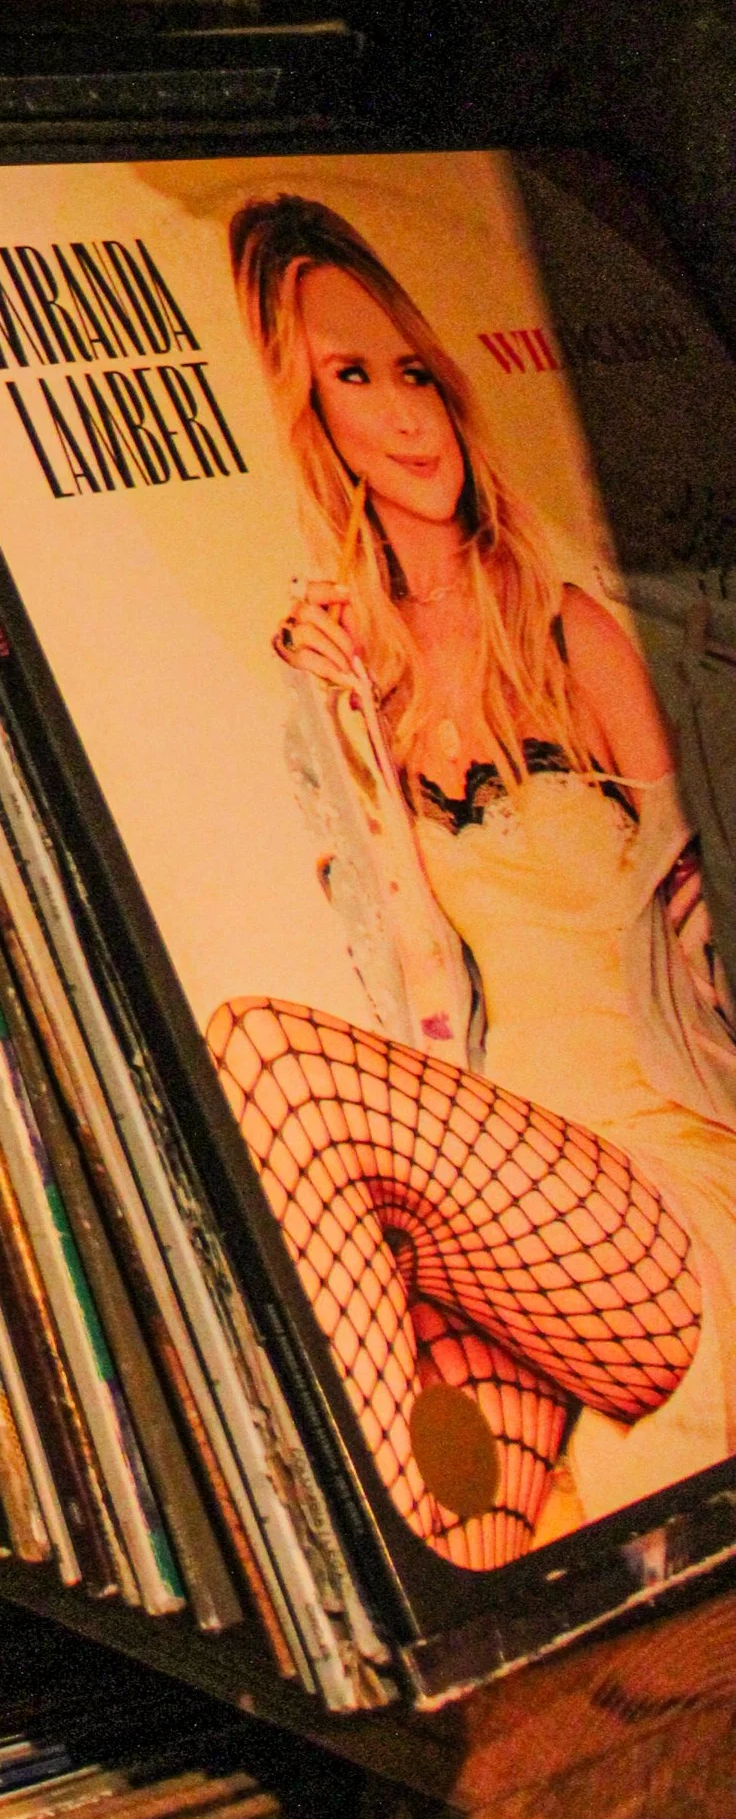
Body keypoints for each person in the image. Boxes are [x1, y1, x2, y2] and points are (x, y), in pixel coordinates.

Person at [208, 192, 736, 1569]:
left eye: (411, 367)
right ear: (310, 414)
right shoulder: (345, 674)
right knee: (468, 1540)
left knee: (268, 1057)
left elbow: (709, 891)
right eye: (350, 377)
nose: (404, 411)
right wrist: (342, 733)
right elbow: (404, 983)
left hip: (667, 1193)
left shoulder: (571, 632)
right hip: (515, 1214)